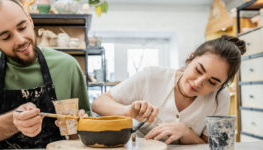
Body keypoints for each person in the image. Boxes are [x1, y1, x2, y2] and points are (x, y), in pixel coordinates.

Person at [0, 0, 91, 149]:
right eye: (6, 37)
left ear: (30, 21)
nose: (21, 40)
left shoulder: (67, 66)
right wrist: (13, 122)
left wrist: (80, 128)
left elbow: (85, 134)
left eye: (22, 27)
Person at [92, 35, 246, 144]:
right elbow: (99, 103)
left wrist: (186, 133)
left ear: (221, 85)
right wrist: (127, 111)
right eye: (198, 70)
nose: (199, 83)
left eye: (212, 82)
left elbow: (212, 145)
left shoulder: (220, 97)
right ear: (191, 58)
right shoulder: (152, 76)